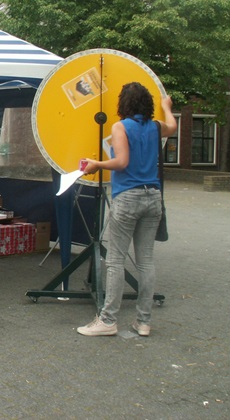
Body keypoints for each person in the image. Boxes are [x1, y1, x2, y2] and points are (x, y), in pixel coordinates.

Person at [77, 82, 176, 337]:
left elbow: (122, 162)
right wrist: (167, 107)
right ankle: (143, 321)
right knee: (145, 262)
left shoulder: (120, 127)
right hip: (153, 197)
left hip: (128, 198)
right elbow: (172, 127)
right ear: (147, 104)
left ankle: (108, 320)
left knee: (115, 261)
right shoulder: (155, 127)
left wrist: (96, 164)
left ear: (123, 104)